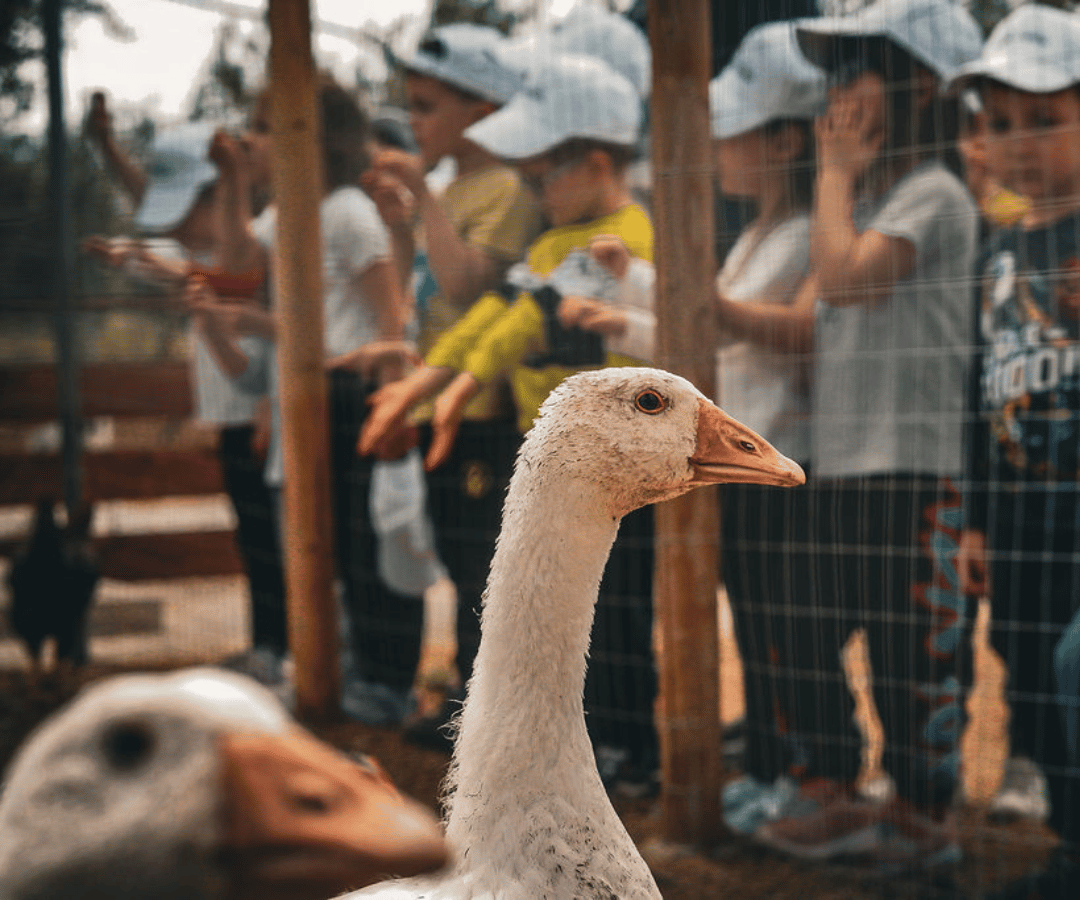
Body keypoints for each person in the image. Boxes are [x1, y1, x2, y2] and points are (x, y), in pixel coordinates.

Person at [362, 54, 659, 794]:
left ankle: (630, 749)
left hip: (618, 461)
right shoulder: (554, 242)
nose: (533, 192)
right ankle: (593, 746)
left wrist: (458, 386)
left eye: (541, 177)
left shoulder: (620, 239)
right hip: (565, 458)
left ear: (594, 163)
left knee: (618, 607)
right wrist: (435, 382)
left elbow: (522, 322)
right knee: (571, 609)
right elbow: (498, 314)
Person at [751, 0, 982, 871]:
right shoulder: (873, 194)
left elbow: (845, 284)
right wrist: (843, 179)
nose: (837, 94)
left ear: (919, 82)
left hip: (914, 466)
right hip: (840, 460)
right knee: (801, 624)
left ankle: (926, 818)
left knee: (908, 648)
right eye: (834, 74)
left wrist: (834, 171)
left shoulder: (934, 193)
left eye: (858, 71)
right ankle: (834, 794)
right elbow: (817, 305)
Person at [194, 76, 423, 724]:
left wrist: (386, 399)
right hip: (302, 396)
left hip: (348, 396)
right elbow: (237, 258)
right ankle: (329, 673)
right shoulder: (283, 214)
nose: (251, 139)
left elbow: (388, 317)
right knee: (311, 544)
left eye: (265, 129)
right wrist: (237, 181)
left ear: (312, 140)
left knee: (359, 547)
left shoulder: (349, 211)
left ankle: (379, 686)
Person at [358, 23, 544, 748]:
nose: (414, 124)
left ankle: (485, 710)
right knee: (456, 560)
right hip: (440, 407)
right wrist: (402, 225)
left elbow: (469, 284)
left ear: (482, 110)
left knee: (481, 567)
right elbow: (423, 289)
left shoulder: (503, 189)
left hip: (483, 413)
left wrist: (422, 201)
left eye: (427, 107)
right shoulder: (449, 186)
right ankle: (468, 698)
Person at [82, 112, 288, 678]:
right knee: (254, 541)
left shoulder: (253, 244)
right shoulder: (207, 254)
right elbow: (167, 252)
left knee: (274, 543)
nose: (172, 229)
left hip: (262, 418)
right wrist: (109, 150)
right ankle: (269, 647)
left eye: (181, 214)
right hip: (234, 419)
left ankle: (287, 651)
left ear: (212, 198)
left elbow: (250, 303)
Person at [952, 6, 1080, 896]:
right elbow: (975, 392)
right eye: (1001, 124)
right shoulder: (996, 252)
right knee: (1024, 664)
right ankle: (1067, 839)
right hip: (1020, 509)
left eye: (1046, 119)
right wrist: (975, 523)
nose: (1020, 144)